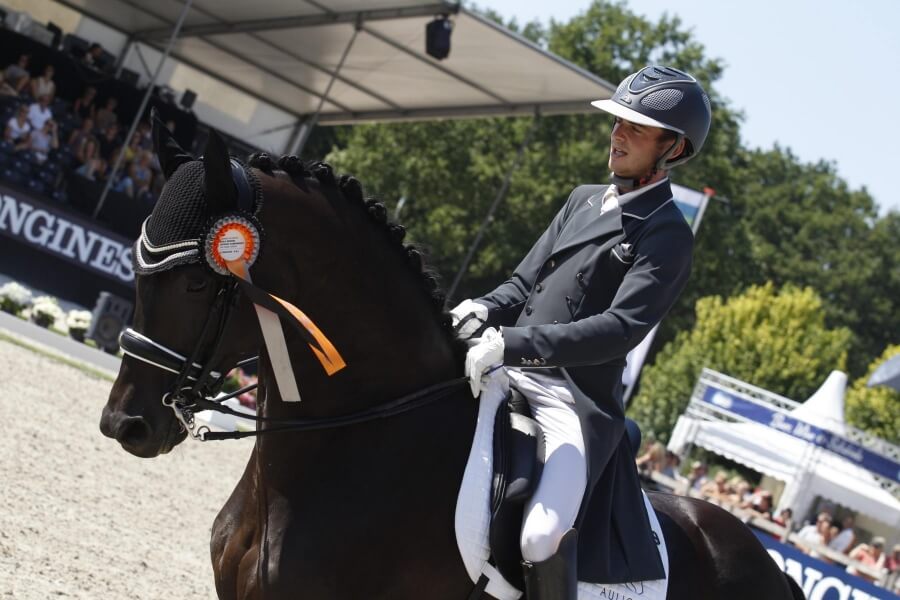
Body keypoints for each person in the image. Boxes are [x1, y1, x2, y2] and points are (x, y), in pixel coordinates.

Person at [450, 65, 711, 597]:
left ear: (673, 148)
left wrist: (513, 343)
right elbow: (522, 285)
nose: (617, 135)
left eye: (635, 128)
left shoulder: (668, 235)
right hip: (506, 362)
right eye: (618, 122)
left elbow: (619, 328)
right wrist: (478, 309)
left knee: (541, 536)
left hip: (571, 397)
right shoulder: (582, 199)